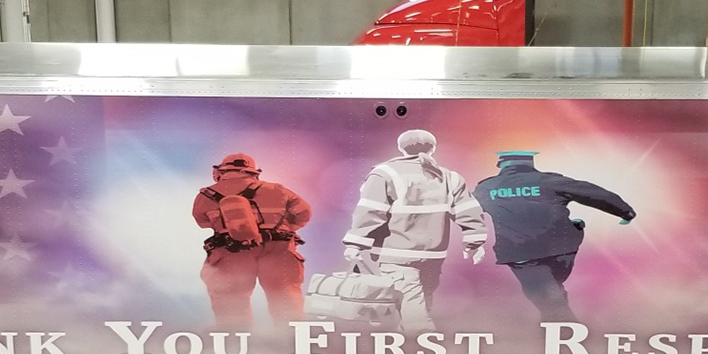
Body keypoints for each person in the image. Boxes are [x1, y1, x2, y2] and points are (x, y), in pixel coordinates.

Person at [341, 129, 488, 330]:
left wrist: (355, 244)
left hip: (397, 255)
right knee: (420, 305)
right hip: (434, 255)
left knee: (412, 312)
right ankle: (410, 343)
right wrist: (474, 243)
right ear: (433, 148)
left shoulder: (385, 174)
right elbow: (467, 211)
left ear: (401, 148)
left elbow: (370, 211)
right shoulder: (449, 177)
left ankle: (423, 343)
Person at [472, 149, 635, 322]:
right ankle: (560, 326)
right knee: (551, 293)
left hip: (521, 253)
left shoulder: (487, 188)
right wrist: (625, 212)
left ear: (501, 164)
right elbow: (593, 193)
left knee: (548, 300)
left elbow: (463, 210)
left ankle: (565, 330)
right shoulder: (551, 181)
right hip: (561, 249)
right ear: (530, 163)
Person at [193, 153, 312, 326]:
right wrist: (281, 230)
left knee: (231, 303)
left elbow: (202, 222)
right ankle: (292, 338)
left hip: (231, 251)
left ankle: (235, 340)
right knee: (285, 300)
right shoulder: (278, 190)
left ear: (221, 171)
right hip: (278, 250)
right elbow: (304, 213)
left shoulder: (206, 195)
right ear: (253, 172)